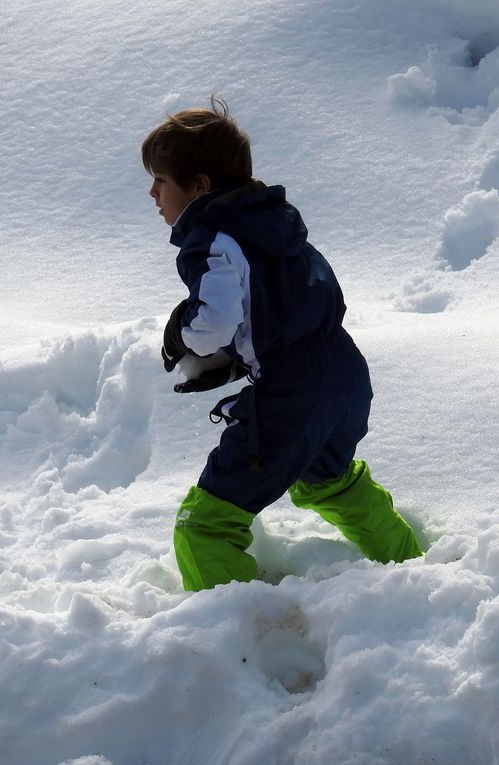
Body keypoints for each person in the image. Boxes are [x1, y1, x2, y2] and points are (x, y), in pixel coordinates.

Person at [142, 97, 422, 591]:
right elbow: (285, 301)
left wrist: (180, 331)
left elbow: (212, 322)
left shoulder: (209, 239)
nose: (152, 193)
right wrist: (246, 354)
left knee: (205, 524)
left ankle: (231, 639)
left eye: (161, 181)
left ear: (200, 187)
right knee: (328, 481)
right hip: (344, 371)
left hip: (294, 390)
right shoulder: (275, 225)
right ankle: (415, 571)